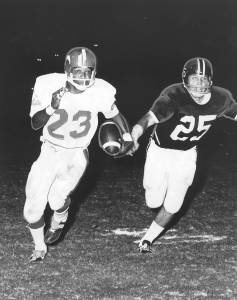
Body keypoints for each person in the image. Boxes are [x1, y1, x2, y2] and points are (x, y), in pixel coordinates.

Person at [24, 47, 133, 262]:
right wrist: (50, 108)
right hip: (50, 150)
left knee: (56, 200)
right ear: (67, 70)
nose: (83, 76)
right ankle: (39, 247)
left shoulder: (101, 91)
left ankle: (61, 215)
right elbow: (35, 124)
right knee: (32, 207)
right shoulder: (49, 84)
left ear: (94, 72)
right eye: (78, 71)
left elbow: (116, 115)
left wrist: (127, 138)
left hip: (76, 155)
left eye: (87, 71)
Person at [130, 57, 237, 253]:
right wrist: (135, 135)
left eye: (203, 79)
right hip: (160, 151)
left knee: (174, 203)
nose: (199, 84)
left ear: (210, 81)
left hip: (186, 154)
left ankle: (147, 239)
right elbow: (149, 118)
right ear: (185, 79)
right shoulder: (174, 94)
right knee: (153, 200)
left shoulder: (221, 98)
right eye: (195, 79)